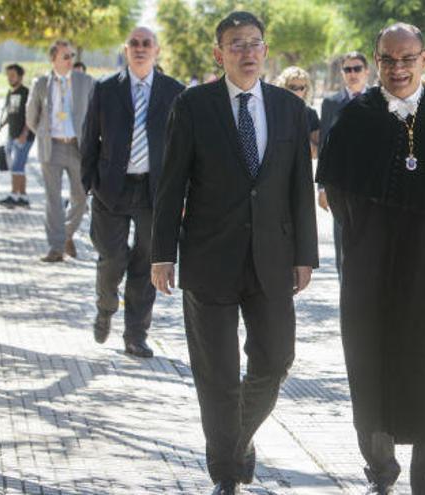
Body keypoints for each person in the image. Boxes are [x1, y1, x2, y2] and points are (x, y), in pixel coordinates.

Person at [316, 23, 425, 495]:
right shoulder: (356, 116)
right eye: (388, 60)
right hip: (368, 261)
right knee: (368, 357)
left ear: (424, 59)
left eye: (407, 59)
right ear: (376, 62)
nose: (398, 69)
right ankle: (380, 468)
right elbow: (335, 193)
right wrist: (371, 240)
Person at [150, 11, 317, 495]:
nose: (247, 52)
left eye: (255, 43)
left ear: (266, 51)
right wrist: (163, 253)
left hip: (272, 259)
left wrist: (305, 252)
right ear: (218, 55)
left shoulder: (289, 107)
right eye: (236, 44)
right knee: (217, 375)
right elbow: (171, 183)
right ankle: (226, 474)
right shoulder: (194, 105)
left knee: (276, 359)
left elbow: (298, 187)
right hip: (208, 260)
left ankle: (233, 441)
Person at [80, 27, 184, 358]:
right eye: (134, 44)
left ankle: (136, 334)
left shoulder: (174, 92)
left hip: (156, 192)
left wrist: (184, 195)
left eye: (146, 44)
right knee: (112, 257)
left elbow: (185, 150)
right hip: (112, 188)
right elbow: (89, 141)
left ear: (157, 50)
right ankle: (105, 305)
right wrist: (86, 186)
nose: (140, 49)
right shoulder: (106, 89)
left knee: (147, 263)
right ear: (126, 50)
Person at [25, 39, 93, 262]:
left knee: (81, 196)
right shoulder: (41, 83)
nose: (70, 60)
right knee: (52, 198)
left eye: (72, 55)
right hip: (51, 147)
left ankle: (66, 234)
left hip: (77, 146)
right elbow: (31, 116)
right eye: (65, 56)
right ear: (53, 59)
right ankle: (55, 247)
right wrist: (44, 134)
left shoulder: (86, 81)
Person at [317, 51, 369, 273]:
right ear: (341, 73)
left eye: (357, 68)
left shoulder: (380, 100)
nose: (353, 74)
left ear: (367, 71)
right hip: (339, 187)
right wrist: (321, 186)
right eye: (348, 69)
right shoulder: (331, 103)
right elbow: (324, 146)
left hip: (372, 188)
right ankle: (346, 302)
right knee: (343, 252)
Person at [0, 63, 35, 209]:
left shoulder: (26, 93)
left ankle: (14, 195)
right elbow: (11, 113)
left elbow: (30, 115)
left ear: (20, 76)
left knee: (17, 167)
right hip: (12, 135)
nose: (10, 78)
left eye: (12, 75)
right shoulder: (11, 93)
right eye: (8, 75)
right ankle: (23, 197)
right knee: (19, 167)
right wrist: (1, 127)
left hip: (24, 136)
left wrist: (24, 134)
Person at [274, 66, 320, 158]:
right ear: (283, 87)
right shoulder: (272, 111)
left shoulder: (311, 114)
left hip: (301, 169)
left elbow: (315, 153)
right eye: (292, 87)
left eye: (301, 88)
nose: (297, 91)